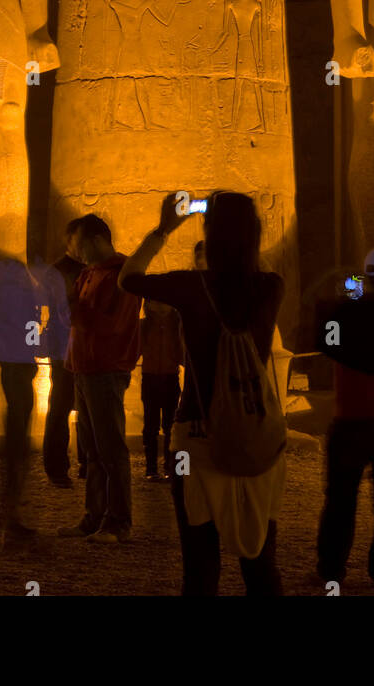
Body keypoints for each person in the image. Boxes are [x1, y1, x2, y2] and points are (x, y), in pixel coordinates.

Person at [120, 191, 285, 597]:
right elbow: (247, 273)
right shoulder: (271, 286)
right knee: (261, 561)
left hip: (195, 434)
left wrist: (163, 229)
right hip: (257, 433)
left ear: (209, 237)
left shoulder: (190, 286)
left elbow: (128, 279)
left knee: (200, 565)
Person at [315, 248, 374, 591]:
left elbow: (326, 340)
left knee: (341, 497)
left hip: (353, 416)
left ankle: (331, 566)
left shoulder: (349, 309)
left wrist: (342, 300)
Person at [0, 255, 69, 545]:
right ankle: (6, 520)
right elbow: (18, 333)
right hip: (17, 370)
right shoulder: (19, 297)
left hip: (18, 369)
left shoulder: (17, 296)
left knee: (15, 443)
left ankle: (1, 518)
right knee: (15, 446)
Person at [58, 215, 141, 544]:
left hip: (106, 368)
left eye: (74, 242)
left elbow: (113, 326)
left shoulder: (123, 276)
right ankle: (94, 517)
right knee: (92, 450)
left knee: (110, 448)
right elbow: (77, 318)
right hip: (83, 368)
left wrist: (73, 309)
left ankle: (118, 521)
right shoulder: (88, 274)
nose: (72, 251)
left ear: (94, 239)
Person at [43, 219, 87, 487]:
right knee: (60, 407)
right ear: (69, 240)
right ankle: (57, 468)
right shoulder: (57, 272)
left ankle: (85, 463)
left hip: (82, 345)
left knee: (85, 407)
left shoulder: (86, 268)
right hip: (63, 347)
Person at [140, 300, 183, 481]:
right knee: (156, 426)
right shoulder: (174, 325)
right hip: (158, 377)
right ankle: (165, 469)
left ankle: (168, 468)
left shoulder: (175, 325)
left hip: (160, 376)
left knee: (166, 426)